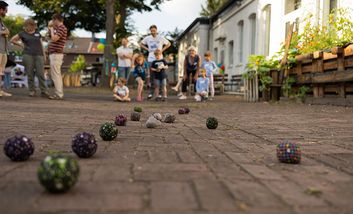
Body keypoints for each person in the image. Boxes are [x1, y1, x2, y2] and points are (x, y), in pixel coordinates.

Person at [10, 18, 49, 97]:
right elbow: (12, 40)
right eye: (26, 26)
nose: (28, 28)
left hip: (39, 55)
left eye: (31, 26)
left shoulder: (38, 33)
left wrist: (44, 55)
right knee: (30, 73)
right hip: (27, 55)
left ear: (32, 25)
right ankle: (32, 91)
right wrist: (21, 45)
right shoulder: (22, 33)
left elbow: (41, 45)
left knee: (40, 73)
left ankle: (44, 91)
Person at [140, 25, 171, 100]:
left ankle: (160, 94)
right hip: (151, 59)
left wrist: (162, 50)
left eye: (154, 30)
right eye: (151, 30)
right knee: (152, 76)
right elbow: (141, 44)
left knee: (160, 75)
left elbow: (169, 44)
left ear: (156, 30)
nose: (153, 32)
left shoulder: (160, 38)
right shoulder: (147, 38)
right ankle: (151, 92)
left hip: (159, 59)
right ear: (150, 31)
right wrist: (147, 49)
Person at [47, 13, 67, 100]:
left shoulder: (62, 28)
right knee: (55, 74)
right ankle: (58, 93)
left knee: (56, 74)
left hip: (56, 54)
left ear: (56, 20)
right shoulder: (58, 29)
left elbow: (54, 39)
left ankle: (59, 94)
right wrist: (50, 28)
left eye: (53, 20)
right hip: (54, 54)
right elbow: (50, 37)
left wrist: (51, 29)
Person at [0, 1, 11, 97]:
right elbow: (4, 32)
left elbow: (6, 32)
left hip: (3, 50)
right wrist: (3, 32)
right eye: (5, 10)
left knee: (1, 72)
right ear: (1, 9)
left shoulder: (1, 21)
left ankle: (0, 90)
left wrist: (6, 32)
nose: (6, 12)